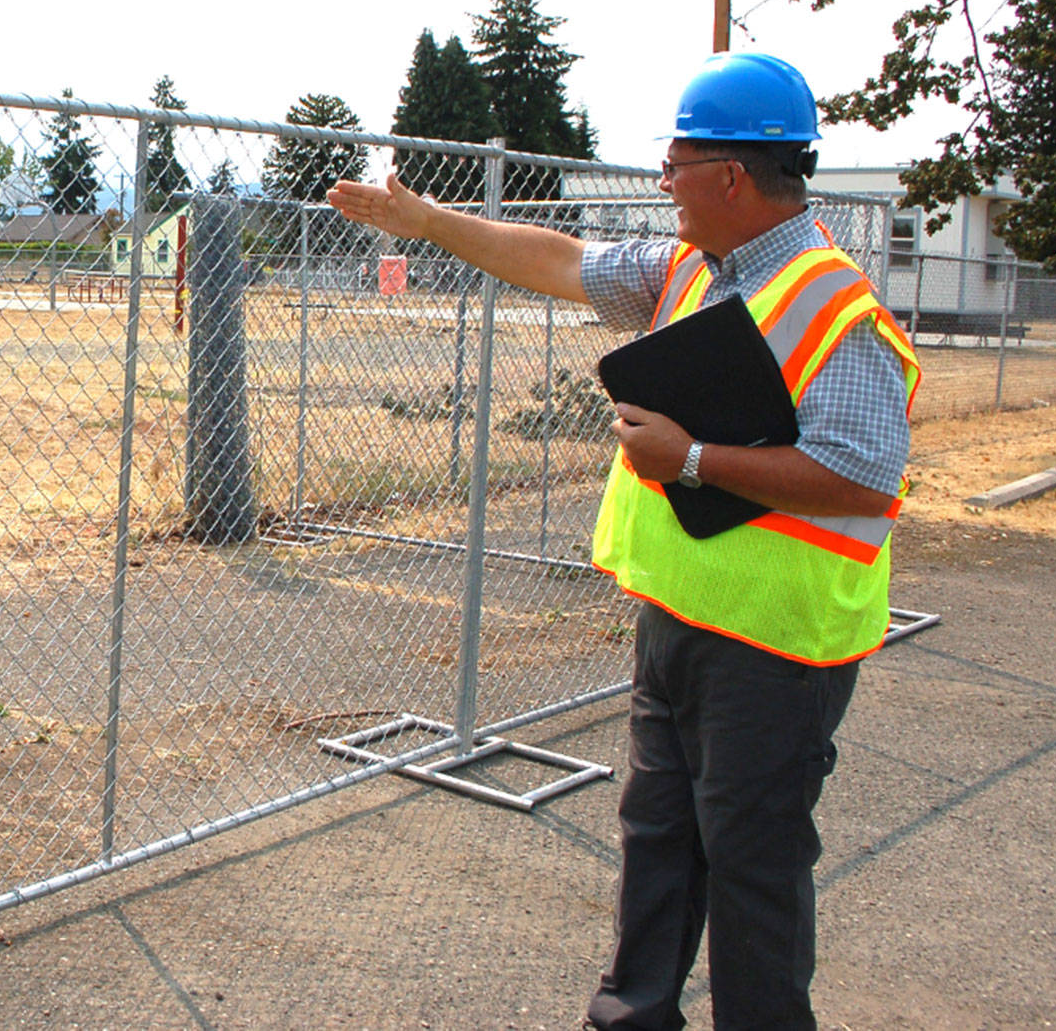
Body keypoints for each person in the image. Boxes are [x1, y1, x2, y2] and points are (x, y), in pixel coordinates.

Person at [327, 52, 918, 1031]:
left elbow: (860, 476)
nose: (661, 180)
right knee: (655, 843)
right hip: (678, 620)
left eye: (674, 161)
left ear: (730, 175)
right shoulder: (690, 270)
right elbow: (557, 261)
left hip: (775, 647)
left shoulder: (830, 305)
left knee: (750, 872)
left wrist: (692, 460)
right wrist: (428, 222)